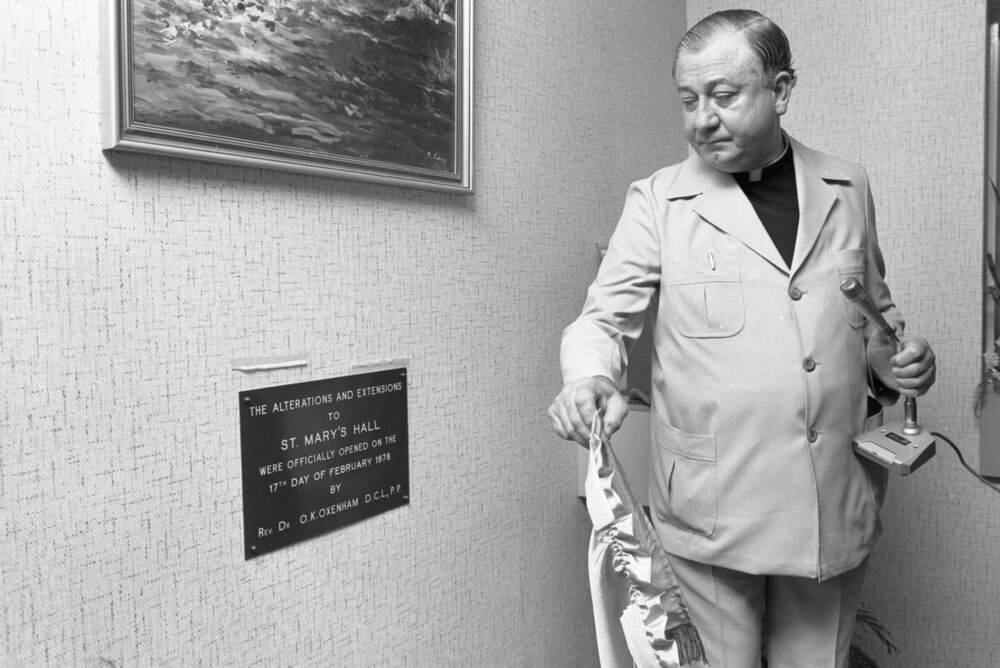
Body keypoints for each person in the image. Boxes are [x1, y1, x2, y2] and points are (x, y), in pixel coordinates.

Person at [548, 9, 937, 668]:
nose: (702, 117)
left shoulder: (849, 187)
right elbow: (603, 320)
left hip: (830, 502)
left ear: (781, 90)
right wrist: (587, 377)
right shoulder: (657, 201)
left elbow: (872, 315)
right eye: (688, 99)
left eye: (723, 96)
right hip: (712, 511)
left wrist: (897, 364)